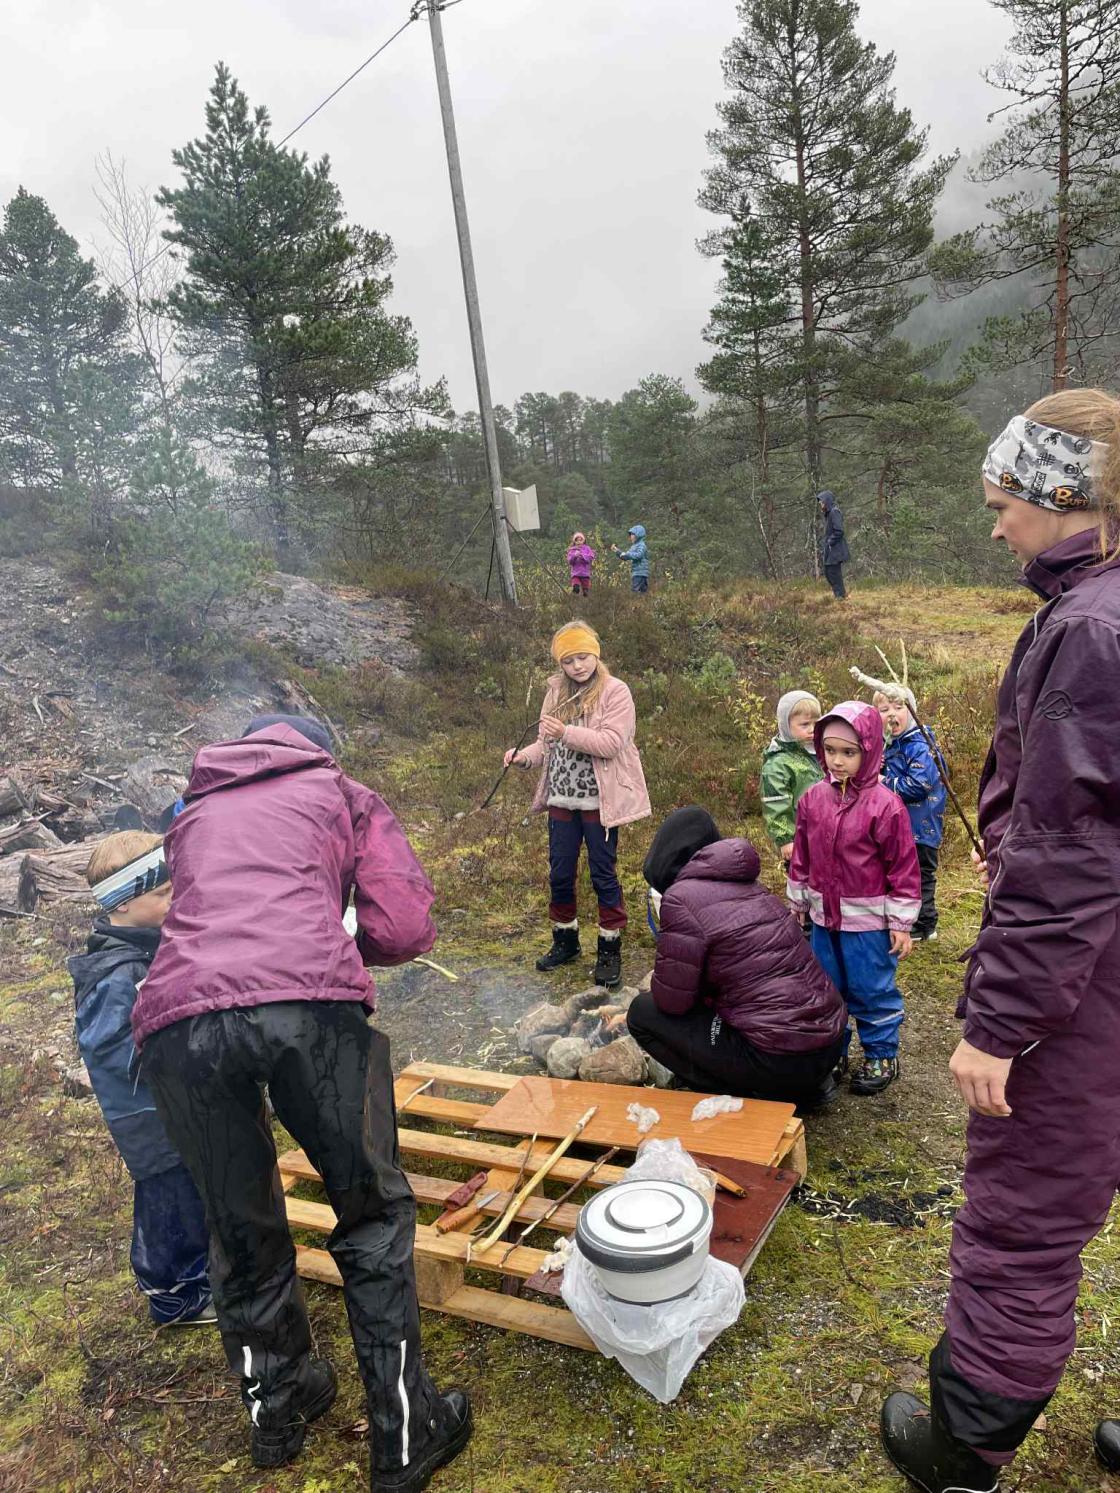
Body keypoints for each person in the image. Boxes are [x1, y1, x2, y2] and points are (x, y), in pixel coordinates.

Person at [881, 391, 1120, 1492]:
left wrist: (999, 1022)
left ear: (1060, 495)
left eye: (1001, 503)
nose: (992, 527)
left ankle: (962, 1454)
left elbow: (1073, 858)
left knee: (1021, 1219)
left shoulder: (1085, 631)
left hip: (1086, 992)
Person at [132, 714, 472, 1490]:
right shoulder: (340, 790)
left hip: (176, 1025)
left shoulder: (191, 814)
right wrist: (336, 942)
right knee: (373, 1212)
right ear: (314, 748)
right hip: (308, 1006)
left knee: (238, 1220)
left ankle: (277, 1406)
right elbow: (407, 922)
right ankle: (406, 1432)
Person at [71, 831, 213, 1328]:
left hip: (173, 1108)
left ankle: (199, 1272)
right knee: (166, 1201)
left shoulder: (149, 950)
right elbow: (106, 1048)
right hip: (148, 1117)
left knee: (190, 1193)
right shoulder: (116, 973)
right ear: (124, 902)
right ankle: (173, 1296)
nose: (174, 897)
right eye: (162, 893)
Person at [626, 806, 846, 1109]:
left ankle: (752, 1097)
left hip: (778, 1059)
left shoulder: (681, 899)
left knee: (641, 1013)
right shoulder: (752, 886)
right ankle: (807, 1088)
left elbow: (672, 1002)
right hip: (827, 1045)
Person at [506, 622, 650, 987]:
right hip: (561, 799)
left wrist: (565, 732)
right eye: (568, 660)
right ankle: (565, 941)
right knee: (559, 873)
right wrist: (523, 757)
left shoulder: (616, 692)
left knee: (604, 874)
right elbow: (545, 745)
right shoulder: (555, 692)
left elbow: (612, 743)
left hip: (601, 802)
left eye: (582, 657)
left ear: (595, 654)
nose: (577, 666)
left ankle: (609, 948)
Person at [787, 702, 920, 1096]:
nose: (838, 761)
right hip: (825, 921)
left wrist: (900, 922)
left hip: (868, 924)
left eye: (849, 752)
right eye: (830, 751)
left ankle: (881, 1053)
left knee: (871, 987)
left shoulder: (886, 805)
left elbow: (903, 867)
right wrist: (797, 901)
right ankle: (834, 1050)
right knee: (827, 987)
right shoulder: (813, 799)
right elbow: (802, 854)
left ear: (869, 750)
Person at [876, 688, 947, 942]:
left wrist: (883, 781)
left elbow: (919, 785)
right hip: (901, 826)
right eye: (884, 710)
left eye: (898, 707)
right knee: (900, 873)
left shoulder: (919, 745)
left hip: (921, 825)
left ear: (912, 711)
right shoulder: (894, 745)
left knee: (920, 874)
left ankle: (926, 924)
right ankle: (906, 919)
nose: (891, 714)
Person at [760, 690, 824, 866]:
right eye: (804, 725)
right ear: (786, 726)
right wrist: (785, 839)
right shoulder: (778, 764)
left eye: (816, 723)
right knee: (805, 881)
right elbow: (775, 802)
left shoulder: (823, 750)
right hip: (800, 838)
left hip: (826, 832)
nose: (812, 729)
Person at [818, 490, 850, 598]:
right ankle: (840, 595)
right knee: (829, 572)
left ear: (827, 501)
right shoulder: (828, 514)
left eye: (822, 502)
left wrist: (830, 542)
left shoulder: (834, 512)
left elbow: (839, 531)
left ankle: (840, 596)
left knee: (833, 572)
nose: (821, 505)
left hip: (836, 549)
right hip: (832, 549)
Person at [610, 524, 650, 593]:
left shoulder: (642, 545)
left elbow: (639, 555)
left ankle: (637, 603)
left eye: (632, 535)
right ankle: (642, 603)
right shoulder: (634, 546)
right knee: (642, 593)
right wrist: (617, 551)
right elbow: (626, 557)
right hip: (636, 572)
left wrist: (627, 554)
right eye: (630, 535)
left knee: (636, 592)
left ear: (638, 535)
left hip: (640, 573)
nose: (631, 537)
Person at [566, 531, 595, 596]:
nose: (579, 542)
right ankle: (574, 599)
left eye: (580, 540)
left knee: (586, 592)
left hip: (585, 573)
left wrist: (582, 556)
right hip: (576, 573)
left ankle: (585, 603)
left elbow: (591, 557)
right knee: (576, 588)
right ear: (574, 542)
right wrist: (575, 556)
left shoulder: (587, 549)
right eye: (577, 540)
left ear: (583, 541)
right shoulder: (572, 550)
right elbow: (570, 561)